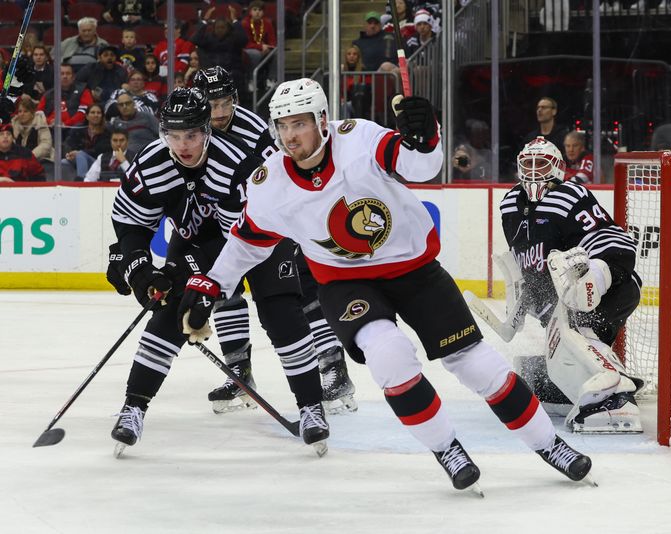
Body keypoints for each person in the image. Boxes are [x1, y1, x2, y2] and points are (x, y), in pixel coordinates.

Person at [178, 78, 593, 492]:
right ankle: (445, 447)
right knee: (389, 355)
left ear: (322, 120)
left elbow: (424, 166)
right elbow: (246, 244)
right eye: (282, 125)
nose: (290, 135)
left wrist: (425, 134)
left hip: (415, 270)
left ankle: (548, 443)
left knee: (475, 362)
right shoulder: (270, 185)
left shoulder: (358, 139)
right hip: (345, 283)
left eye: (299, 123)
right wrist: (210, 286)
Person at [107, 88, 328, 455]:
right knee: (169, 307)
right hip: (198, 238)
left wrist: (201, 284)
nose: (182, 146)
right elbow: (131, 223)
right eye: (173, 136)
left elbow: (240, 243)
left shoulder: (238, 164)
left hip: (261, 236)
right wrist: (138, 267)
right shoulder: (150, 164)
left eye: (191, 135)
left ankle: (311, 406)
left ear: (207, 130)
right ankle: (133, 407)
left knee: (280, 312)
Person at [191, 67, 357, 413]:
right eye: (212, 104)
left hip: (272, 226)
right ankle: (238, 371)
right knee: (225, 292)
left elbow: (284, 178)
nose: (219, 112)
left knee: (303, 295)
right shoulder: (194, 131)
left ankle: (334, 368)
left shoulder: (255, 129)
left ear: (235, 99)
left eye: (225, 102)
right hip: (226, 228)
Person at [498, 137, 643, 433]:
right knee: (561, 348)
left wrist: (596, 279)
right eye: (529, 163)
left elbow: (615, 245)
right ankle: (586, 381)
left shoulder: (569, 195)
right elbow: (529, 263)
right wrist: (527, 298)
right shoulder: (510, 205)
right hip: (561, 303)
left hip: (612, 288)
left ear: (558, 168)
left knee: (581, 327)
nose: (535, 171)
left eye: (542, 164)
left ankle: (615, 395)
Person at [63, 103, 111, 181]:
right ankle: (67, 188)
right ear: (87, 116)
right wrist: (69, 154)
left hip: (98, 162)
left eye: (98, 113)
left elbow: (100, 150)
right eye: (92, 112)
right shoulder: (78, 128)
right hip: (79, 159)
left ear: (102, 116)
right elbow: (68, 144)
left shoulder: (107, 131)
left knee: (81, 155)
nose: (96, 115)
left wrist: (79, 153)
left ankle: (82, 183)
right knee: (64, 162)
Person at [37, 63, 94, 128]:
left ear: (73, 77)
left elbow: (84, 113)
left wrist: (66, 124)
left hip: (74, 129)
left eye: (68, 73)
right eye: (62, 74)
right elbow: (39, 114)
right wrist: (50, 122)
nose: (65, 76)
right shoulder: (48, 94)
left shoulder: (83, 91)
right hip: (50, 128)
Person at [108, 91, 159, 155]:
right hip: (125, 159)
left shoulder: (147, 117)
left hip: (148, 156)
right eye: (121, 104)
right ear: (118, 107)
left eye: (128, 103)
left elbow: (163, 134)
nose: (124, 106)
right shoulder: (115, 123)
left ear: (134, 104)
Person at [11, 95, 54, 166]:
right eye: (20, 111)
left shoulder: (40, 123)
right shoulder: (14, 125)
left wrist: (29, 156)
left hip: (42, 160)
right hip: (18, 162)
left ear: (32, 113)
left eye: (25, 111)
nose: (22, 114)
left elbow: (46, 145)